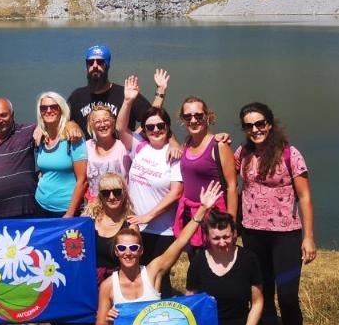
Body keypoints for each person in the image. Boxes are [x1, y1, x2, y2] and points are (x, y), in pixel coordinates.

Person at [84, 182, 222, 325]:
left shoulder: (152, 272)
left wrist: (202, 210)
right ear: (116, 252)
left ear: (141, 250)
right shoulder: (108, 285)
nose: (128, 253)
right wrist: (110, 321)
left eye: (133, 248)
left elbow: (180, 242)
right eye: (122, 249)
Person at [234, 102, 316, 325]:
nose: (255, 129)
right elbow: (225, 176)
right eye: (248, 125)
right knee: (262, 293)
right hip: (253, 234)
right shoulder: (242, 154)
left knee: (288, 296)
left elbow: (304, 197)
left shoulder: (289, 154)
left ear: (270, 124)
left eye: (260, 123)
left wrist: (308, 237)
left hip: (286, 235)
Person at [185, 210, 269, 325]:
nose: (222, 243)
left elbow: (257, 302)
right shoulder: (198, 261)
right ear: (207, 237)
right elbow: (191, 302)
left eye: (226, 237)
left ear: (234, 234)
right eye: (216, 238)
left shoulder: (248, 259)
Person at [116, 78, 184, 296]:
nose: (156, 130)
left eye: (160, 126)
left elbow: (176, 192)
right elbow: (120, 128)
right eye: (150, 127)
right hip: (136, 226)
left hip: (162, 229)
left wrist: (148, 216)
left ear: (168, 128)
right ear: (144, 130)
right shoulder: (140, 146)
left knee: (159, 278)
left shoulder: (174, 155)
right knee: (138, 277)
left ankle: (164, 323)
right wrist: (127, 101)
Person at [174, 96, 237, 264]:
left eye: (198, 115)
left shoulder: (219, 146)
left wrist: (231, 223)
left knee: (217, 265)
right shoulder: (186, 143)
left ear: (207, 116)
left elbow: (232, 186)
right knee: (196, 263)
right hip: (191, 215)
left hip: (215, 216)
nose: (193, 120)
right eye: (188, 117)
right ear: (183, 120)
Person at [67, 44, 167, 131]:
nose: (95, 65)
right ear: (86, 66)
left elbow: (153, 118)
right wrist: (70, 124)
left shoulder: (125, 95)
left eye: (100, 62)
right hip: (89, 151)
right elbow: (60, 119)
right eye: (90, 62)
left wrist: (136, 138)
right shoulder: (77, 96)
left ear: (107, 65)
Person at [34, 91, 88, 218]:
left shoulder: (73, 137)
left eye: (54, 107)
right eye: (44, 108)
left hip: (65, 210)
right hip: (40, 205)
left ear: (62, 109)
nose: (48, 110)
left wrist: (70, 213)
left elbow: (83, 180)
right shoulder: (41, 137)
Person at [86, 173, 134, 285]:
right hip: (89, 279)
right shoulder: (89, 219)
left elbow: (132, 261)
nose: (112, 197)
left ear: (124, 193)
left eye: (117, 192)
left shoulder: (131, 225)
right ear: (100, 196)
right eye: (106, 193)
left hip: (117, 281)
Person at [84, 107, 130, 203]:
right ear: (91, 125)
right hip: (94, 206)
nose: (103, 125)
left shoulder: (125, 146)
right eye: (97, 121)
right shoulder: (86, 147)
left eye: (106, 120)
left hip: (120, 206)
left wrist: (171, 141)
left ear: (113, 122)